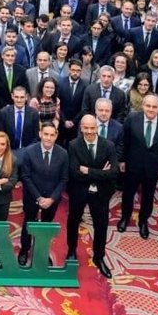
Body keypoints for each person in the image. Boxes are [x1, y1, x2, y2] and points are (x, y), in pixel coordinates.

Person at [65, 114, 118, 277]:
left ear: (97, 128)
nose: (89, 131)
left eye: (92, 128)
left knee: (101, 226)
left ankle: (99, 257)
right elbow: (74, 173)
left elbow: (114, 172)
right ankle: (72, 251)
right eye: (86, 128)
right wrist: (101, 172)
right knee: (73, 221)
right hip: (79, 191)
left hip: (101, 192)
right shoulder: (73, 145)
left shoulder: (108, 145)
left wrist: (88, 171)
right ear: (81, 128)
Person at [117, 94, 158, 239]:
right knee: (128, 194)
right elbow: (125, 141)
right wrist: (122, 160)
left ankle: (143, 221)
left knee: (148, 197)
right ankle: (125, 217)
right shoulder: (132, 118)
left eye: (154, 107)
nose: (151, 109)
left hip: (153, 168)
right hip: (133, 165)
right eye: (148, 106)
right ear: (143, 106)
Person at [17, 123, 69, 265]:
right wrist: (39, 198)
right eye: (46, 134)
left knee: (46, 226)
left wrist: (52, 198)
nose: (48, 138)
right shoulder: (29, 151)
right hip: (32, 195)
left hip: (52, 198)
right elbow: (25, 177)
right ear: (40, 134)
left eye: (52, 135)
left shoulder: (63, 154)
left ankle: (42, 252)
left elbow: (64, 179)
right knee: (28, 223)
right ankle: (24, 250)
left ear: (56, 136)